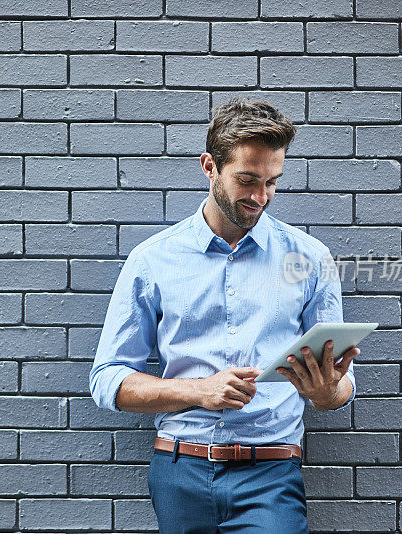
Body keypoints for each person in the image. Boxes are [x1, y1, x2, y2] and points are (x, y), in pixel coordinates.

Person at [89, 96, 360, 533]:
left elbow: (339, 387)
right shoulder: (151, 260)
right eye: (248, 180)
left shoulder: (310, 259)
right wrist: (200, 391)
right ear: (209, 167)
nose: (261, 197)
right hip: (181, 470)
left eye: (273, 182)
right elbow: (108, 382)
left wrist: (326, 392)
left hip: (271, 473)